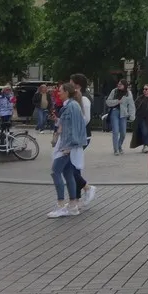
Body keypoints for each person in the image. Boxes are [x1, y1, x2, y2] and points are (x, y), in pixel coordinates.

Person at [48, 82, 87, 218]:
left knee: (55, 171)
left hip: (67, 145)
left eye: (60, 91)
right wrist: (58, 120)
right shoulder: (74, 105)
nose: (58, 93)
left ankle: (61, 205)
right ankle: (72, 205)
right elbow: (70, 125)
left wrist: (68, 147)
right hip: (73, 145)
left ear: (66, 92)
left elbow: (70, 129)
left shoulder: (70, 107)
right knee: (68, 172)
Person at [69, 73, 98, 207]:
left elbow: (86, 118)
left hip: (82, 136)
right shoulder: (75, 97)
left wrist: (74, 127)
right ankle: (76, 198)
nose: (69, 84)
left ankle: (87, 187)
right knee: (74, 165)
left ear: (77, 85)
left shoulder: (84, 99)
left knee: (70, 166)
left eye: (71, 82)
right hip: (77, 136)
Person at [104, 80, 135, 155]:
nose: (118, 85)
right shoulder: (114, 91)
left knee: (123, 133)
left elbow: (131, 105)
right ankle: (116, 150)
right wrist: (117, 101)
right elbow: (108, 102)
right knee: (115, 131)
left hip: (123, 114)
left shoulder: (128, 93)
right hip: (114, 112)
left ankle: (119, 146)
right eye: (118, 84)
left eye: (120, 84)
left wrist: (132, 115)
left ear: (125, 85)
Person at [131, 84, 148, 153]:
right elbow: (135, 105)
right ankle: (146, 145)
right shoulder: (140, 98)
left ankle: (145, 145)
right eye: (144, 89)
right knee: (144, 131)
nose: (145, 91)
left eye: (146, 89)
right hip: (141, 118)